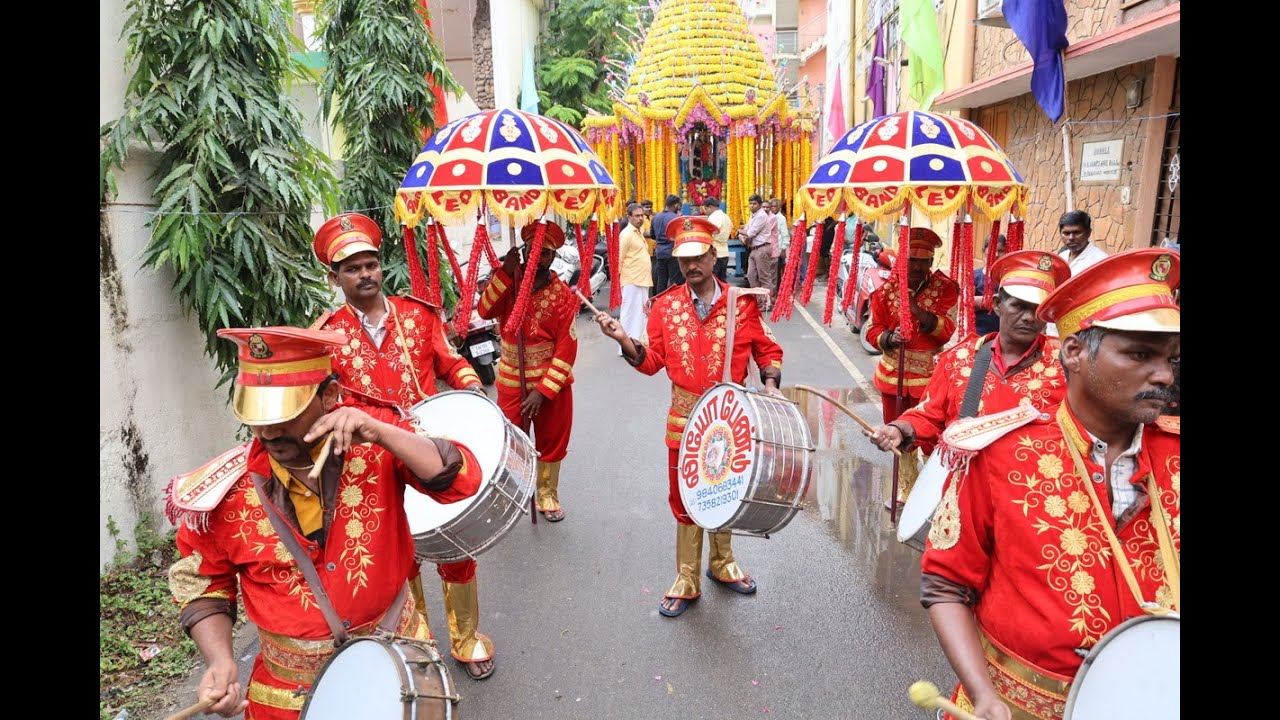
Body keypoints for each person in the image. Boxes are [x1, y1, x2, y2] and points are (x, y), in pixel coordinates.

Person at [165, 326, 483, 719]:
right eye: (258, 415)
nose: (269, 431)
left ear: (329, 396)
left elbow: (461, 479)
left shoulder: (376, 444)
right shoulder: (220, 493)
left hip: (400, 670)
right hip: (287, 698)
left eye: (286, 413)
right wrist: (219, 660)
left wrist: (382, 433)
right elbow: (204, 583)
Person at [921, 248, 1180, 720]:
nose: (1164, 375)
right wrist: (984, 695)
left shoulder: (1176, 454)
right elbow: (945, 585)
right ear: (1075, 352)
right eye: (1140, 354)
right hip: (1017, 706)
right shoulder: (998, 454)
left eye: (1172, 358)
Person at [308, 212, 496, 680]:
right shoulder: (323, 337)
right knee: (397, 558)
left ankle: (466, 638)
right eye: (352, 268)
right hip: (370, 466)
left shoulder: (417, 315)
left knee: (456, 548)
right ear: (335, 278)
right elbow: (320, 403)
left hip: (426, 451)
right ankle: (418, 648)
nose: (365, 274)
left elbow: (452, 364)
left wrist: (473, 392)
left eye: (371, 264)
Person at [592, 216, 784, 619]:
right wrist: (624, 339)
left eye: (698, 257)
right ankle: (686, 576)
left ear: (714, 256)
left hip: (729, 421)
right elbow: (652, 362)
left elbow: (767, 350)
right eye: (684, 260)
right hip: (684, 422)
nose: (691, 266)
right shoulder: (664, 307)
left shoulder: (742, 303)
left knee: (727, 491)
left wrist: (770, 382)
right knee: (685, 497)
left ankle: (723, 562)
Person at [867, 249, 1071, 457]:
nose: (1029, 317)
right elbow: (930, 414)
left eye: (1038, 309)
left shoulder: (1068, 368)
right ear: (997, 305)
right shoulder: (958, 359)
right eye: (1019, 306)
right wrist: (900, 428)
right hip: (967, 477)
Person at [477, 221, 579, 522]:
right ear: (523, 252)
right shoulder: (509, 281)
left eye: (544, 253)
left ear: (552, 256)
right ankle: (514, 493)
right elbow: (484, 310)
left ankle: (547, 494)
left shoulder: (562, 294)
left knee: (552, 442)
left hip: (550, 387)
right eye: (531, 251)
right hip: (512, 379)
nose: (537, 258)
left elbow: (567, 349)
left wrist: (542, 391)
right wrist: (505, 272)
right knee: (512, 440)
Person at [865, 228, 959, 502]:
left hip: (929, 379)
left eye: (923, 261)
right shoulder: (885, 291)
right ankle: (906, 489)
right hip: (892, 376)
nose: (916, 267)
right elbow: (873, 330)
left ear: (931, 262)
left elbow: (947, 330)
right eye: (911, 261)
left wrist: (916, 310)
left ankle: (932, 493)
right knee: (896, 432)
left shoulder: (946, 288)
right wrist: (888, 338)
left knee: (931, 437)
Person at [619, 203, 654, 345]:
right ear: (629, 217)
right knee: (629, 313)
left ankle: (638, 342)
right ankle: (625, 345)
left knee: (642, 313)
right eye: (637, 216)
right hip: (631, 279)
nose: (640, 218)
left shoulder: (639, 231)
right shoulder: (626, 234)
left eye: (642, 216)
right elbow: (619, 258)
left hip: (642, 278)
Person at [739, 193, 778, 300]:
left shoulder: (761, 216)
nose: (752, 206)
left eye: (754, 203)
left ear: (759, 205)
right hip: (754, 248)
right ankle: (759, 300)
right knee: (751, 276)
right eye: (750, 203)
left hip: (762, 248)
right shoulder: (754, 215)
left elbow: (750, 233)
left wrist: (739, 231)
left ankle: (767, 302)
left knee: (764, 277)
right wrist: (742, 234)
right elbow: (746, 229)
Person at [971, 234, 1008, 337]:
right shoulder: (974, 276)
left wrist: (982, 301)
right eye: (992, 250)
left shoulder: (1009, 277)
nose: (996, 254)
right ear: (984, 251)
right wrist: (1000, 300)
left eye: (1000, 251)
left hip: (1004, 334)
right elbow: (968, 302)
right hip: (980, 333)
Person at [1056, 209, 1108, 274]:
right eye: (1066, 233)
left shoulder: (1100, 261)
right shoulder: (1061, 257)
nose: (1071, 238)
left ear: (1088, 233)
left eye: (1077, 232)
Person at [652, 194, 684, 292]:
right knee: (675, 280)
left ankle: (660, 299)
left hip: (660, 252)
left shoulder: (656, 217)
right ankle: (675, 299)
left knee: (661, 280)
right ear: (676, 205)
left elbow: (652, 235)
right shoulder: (676, 218)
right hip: (672, 251)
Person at [701, 197, 733, 281]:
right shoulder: (726, 217)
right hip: (724, 252)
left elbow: (710, 233)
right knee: (722, 281)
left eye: (706, 209)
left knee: (713, 281)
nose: (705, 211)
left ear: (710, 207)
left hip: (714, 253)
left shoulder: (714, 217)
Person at [769, 199, 789, 293]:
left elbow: (785, 234)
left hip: (778, 249)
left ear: (779, 207)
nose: (772, 208)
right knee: (771, 273)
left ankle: (777, 293)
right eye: (771, 206)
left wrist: (783, 249)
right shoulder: (769, 217)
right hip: (770, 249)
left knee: (776, 273)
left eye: (775, 206)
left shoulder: (781, 218)